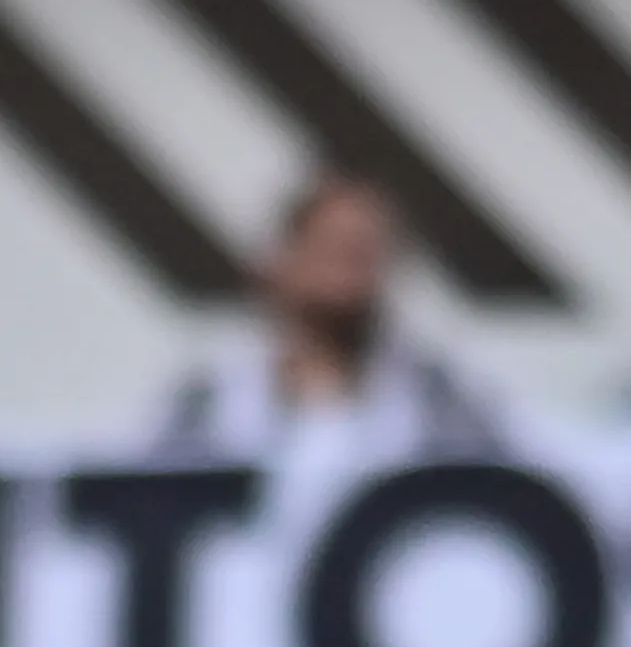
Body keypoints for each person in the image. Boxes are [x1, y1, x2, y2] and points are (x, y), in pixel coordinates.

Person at [154, 172, 507, 459]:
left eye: (365, 251)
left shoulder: (441, 403)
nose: (349, 271)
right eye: (333, 249)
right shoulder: (208, 404)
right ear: (283, 261)